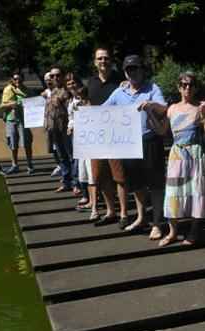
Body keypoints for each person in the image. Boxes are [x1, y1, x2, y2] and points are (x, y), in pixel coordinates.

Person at [103, 55, 167, 238]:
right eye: (129, 69)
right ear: (125, 72)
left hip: (150, 141)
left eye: (136, 68)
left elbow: (164, 109)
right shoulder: (118, 92)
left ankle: (157, 222)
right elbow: (102, 111)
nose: (133, 72)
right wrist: (80, 116)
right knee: (137, 183)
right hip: (129, 144)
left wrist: (152, 104)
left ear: (142, 70)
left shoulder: (153, 88)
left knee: (155, 184)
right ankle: (141, 217)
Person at [159, 72, 205, 246]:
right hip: (176, 153)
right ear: (178, 87)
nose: (187, 88)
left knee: (197, 192)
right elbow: (161, 131)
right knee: (173, 193)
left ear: (195, 87)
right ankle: (173, 232)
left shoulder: (201, 106)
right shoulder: (172, 108)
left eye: (190, 85)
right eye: (183, 85)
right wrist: (149, 111)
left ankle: (193, 231)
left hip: (195, 153)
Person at [87, 46, 124, 227]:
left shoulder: (121, 80)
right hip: (97, 135)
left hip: (117, 135)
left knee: (119, 175)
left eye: (106, 58)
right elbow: (89, 104)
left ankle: (124, 212)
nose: (103, 61)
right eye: (100, 58)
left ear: (111, 60)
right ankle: (111, 211)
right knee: (101, 175)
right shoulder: (91, 82)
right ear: (95, 62)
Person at [66, 79, 98, 219]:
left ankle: (95, 206)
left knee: (92, 176)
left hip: (91, 145)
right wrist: (71, 126)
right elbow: (72, 118)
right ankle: (91, 201)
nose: (80, 101)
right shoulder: (75, 106)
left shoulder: (91, 107)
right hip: (81, 143)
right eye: (78, 98)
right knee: (84, 174)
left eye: (82, 98)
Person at [43, 65, 74, 192]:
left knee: (71, 156)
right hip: (54, 129)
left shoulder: (67, 92)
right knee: (61, 157)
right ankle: (67, 182)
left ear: (62, 76)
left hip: (65, 129)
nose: (55, 78)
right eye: (52, 75)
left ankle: (75, 183)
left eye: (57, 75)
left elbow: (71, 111)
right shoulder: (52, 91)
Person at [0, 72, 34, 175]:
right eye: (15, 79)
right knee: (13, 143)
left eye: (20, 79)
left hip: (24, 121)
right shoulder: (8, 89)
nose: (17, 81)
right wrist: (12, 104)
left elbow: (34, 104)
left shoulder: (28, 91)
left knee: (27, 143)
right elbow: (1, 105)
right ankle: (14, 165)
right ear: (12, 80)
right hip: (11, 120)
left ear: (23, 79)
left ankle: (30, 165)